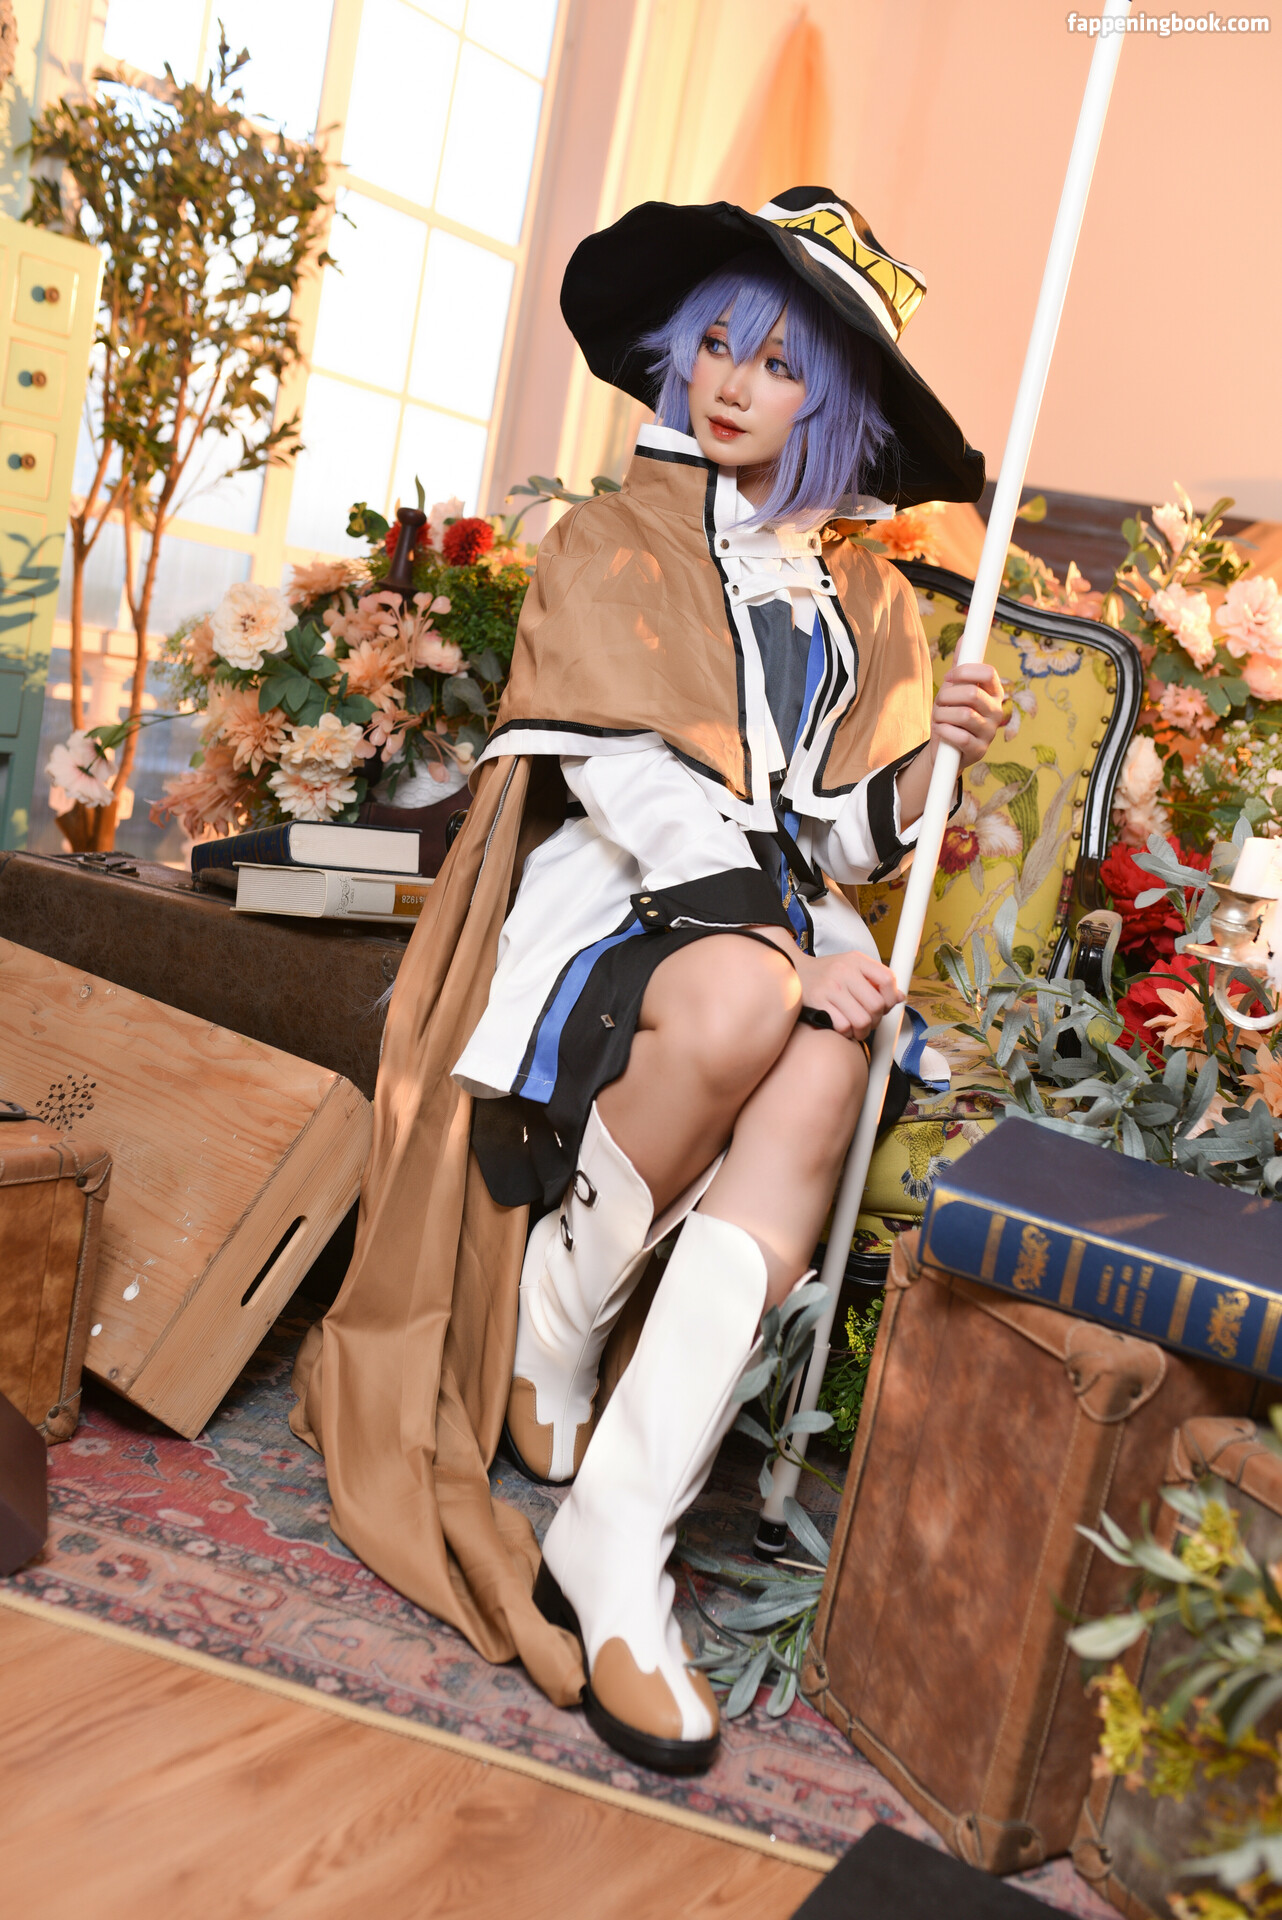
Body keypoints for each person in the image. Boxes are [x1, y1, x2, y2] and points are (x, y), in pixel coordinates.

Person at [290, 187, 1002, 1778]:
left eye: (781, 366)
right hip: (625, 895)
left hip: (778, 912)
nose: (733, 383)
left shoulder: (869, 600)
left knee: (823, 1061)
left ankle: (618, 1532)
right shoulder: (610, 541)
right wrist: (789, 947)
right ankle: (556, 1320)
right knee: (758, 1001)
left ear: (834, 407)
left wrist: (921, 768)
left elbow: (834, 830)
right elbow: (634, 781)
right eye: (718, 347)